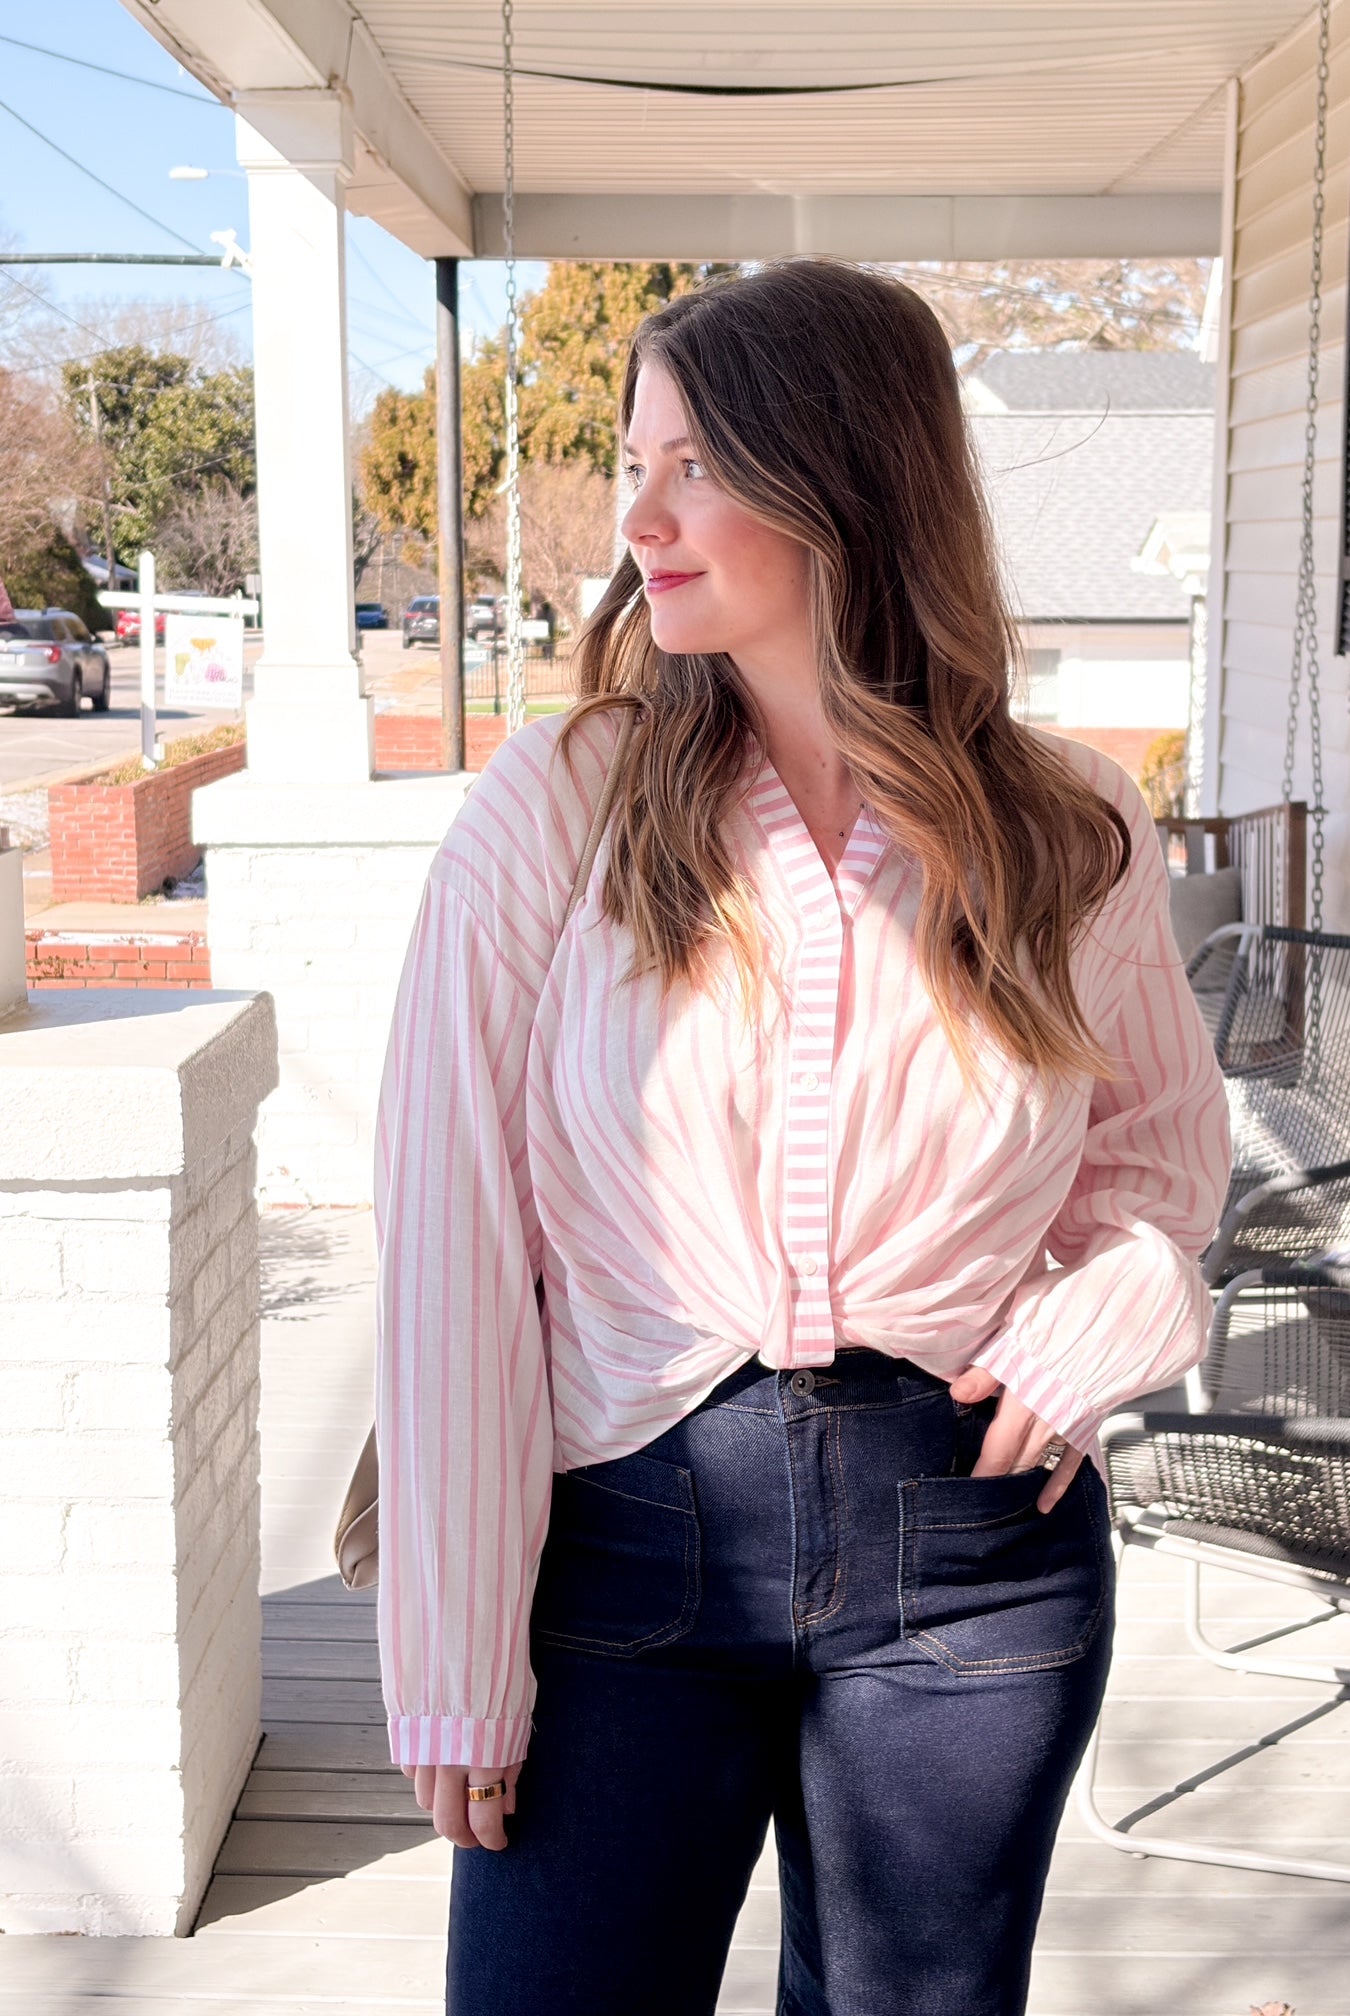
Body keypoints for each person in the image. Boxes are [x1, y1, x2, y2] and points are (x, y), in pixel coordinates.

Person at [373, 260, 1231, 2016]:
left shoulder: (1066, 823)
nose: (641, 515)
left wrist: (1104, 1324)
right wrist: (452, 1658)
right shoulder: (558, 805)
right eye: (635, 461)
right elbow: (450, 1244)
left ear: (838, 472)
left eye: (693, 463)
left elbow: (1153, 1167)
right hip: (616, 1544)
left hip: (971, 1559)